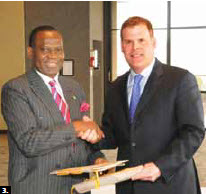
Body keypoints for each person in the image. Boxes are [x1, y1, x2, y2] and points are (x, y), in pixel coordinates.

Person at [100, 16, 205, 194]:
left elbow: (193, 131)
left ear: (153, 42)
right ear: (122, 46)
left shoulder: (180, 79)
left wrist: (160, 166)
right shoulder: (115, 87)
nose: (135, 48)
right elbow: (113, 135)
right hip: (128, 186)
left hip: (170, 184)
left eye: (141, 40)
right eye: (128, 42)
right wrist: (93, 133)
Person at [1, 25, 106, 194]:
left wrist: (97, 158)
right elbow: (29, 142)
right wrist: (76, 127)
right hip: (38, 186)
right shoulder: (16, 89)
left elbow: (83, 142)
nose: (53, 56)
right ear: (30, 52)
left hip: (76, 186)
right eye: (45, 49)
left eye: (58, 50)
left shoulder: (74, 87)